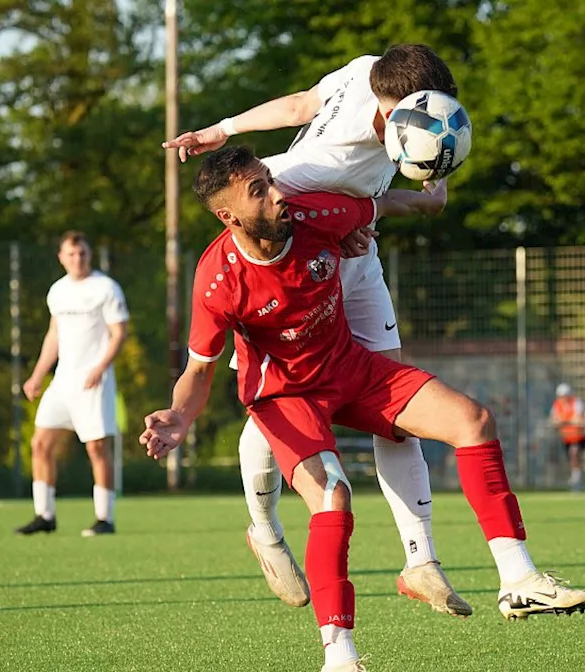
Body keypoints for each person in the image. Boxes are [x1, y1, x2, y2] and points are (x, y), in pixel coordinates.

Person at [140, 147, 585, 672]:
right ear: (229, 216)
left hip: (351, 370)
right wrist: (178, 415)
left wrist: (431, 202)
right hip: (284, 396)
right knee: (334, 497)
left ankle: (518, 579)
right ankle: (339, 656)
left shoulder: (318, 213)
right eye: (259, 191)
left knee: (474, 423)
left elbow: (379, 206)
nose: (278, 193)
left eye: (270, 179)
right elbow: (199, 371)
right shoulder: (217, 280)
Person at [162, 44, 468, 616]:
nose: (424, 127)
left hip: (353, 251)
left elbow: (302, 102)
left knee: (395, 405)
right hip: (289, 256)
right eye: (414, 118)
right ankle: (264, 530)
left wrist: (223, 127)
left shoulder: (371, 69)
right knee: (275, 400)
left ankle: (421, 561)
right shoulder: (300, 176)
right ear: (388, 106)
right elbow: (276, 199)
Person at [17, 231, 129, 537]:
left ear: (88, 255)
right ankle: (44, 515)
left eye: (82, 253)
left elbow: (119, 333)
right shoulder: (57, 291)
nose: (77, 259)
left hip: (94, 382)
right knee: (40, 444)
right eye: (71, 254)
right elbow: (54, 334)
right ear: (61, 257)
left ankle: (104, 518)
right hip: (63, 381)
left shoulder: (105, 288)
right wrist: (38, 374)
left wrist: (100, 368)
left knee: (96, 448)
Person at [549, 383, 585, 490]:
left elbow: (578, 420)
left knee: (574, 454)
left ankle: (576, 478)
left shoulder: (576, 402)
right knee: (572, 458)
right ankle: (576, 478)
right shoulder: (557, 405)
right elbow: (554, 420)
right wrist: (566, 421)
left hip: (578, 436)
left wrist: (564, 421)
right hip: (566, 437)